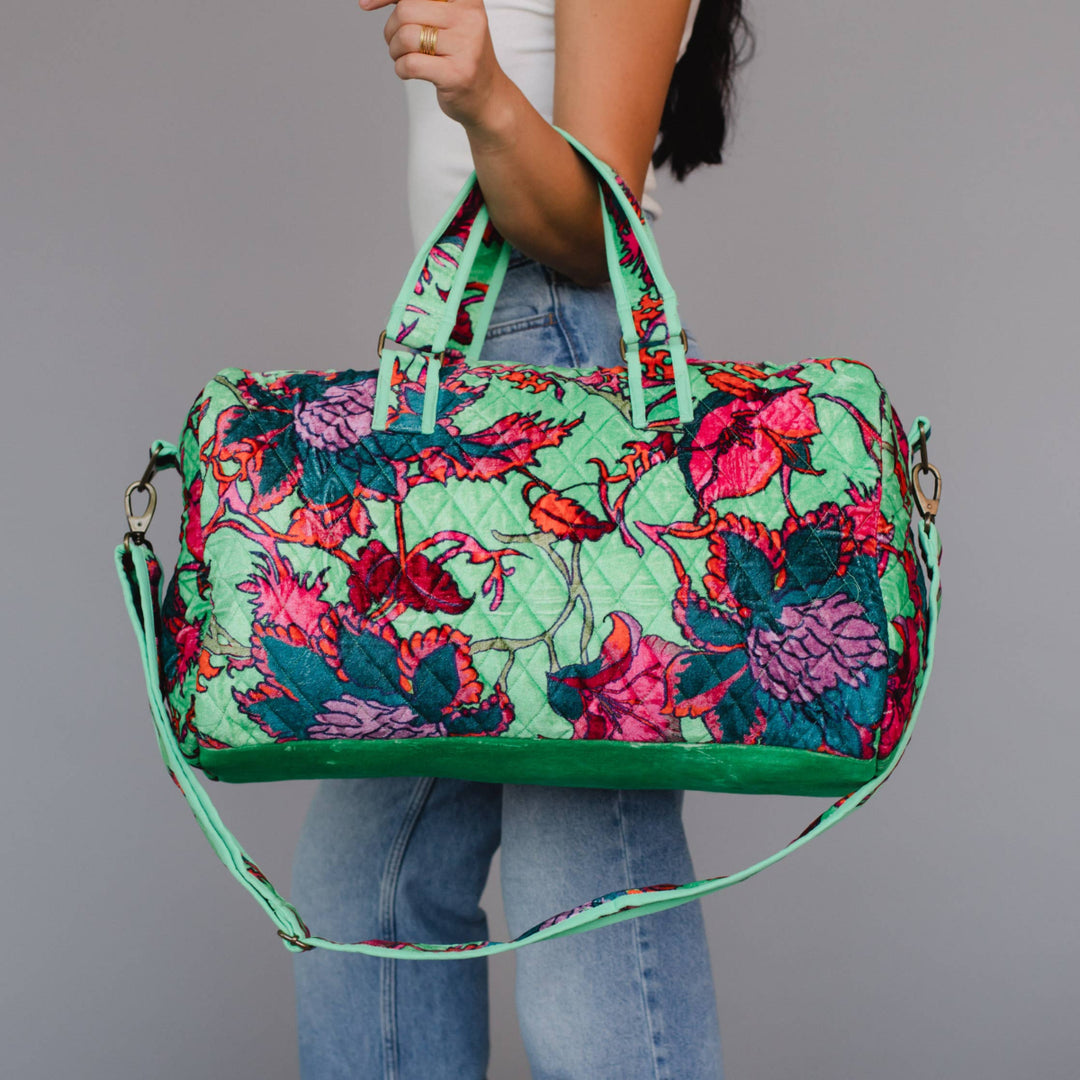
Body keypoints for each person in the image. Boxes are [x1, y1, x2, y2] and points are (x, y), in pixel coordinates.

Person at [291, 1, 755, 1077]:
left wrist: (483, 89)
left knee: (587, 885)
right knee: (369, 890)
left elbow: (601, 228)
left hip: (562, 384)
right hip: (468, 390)